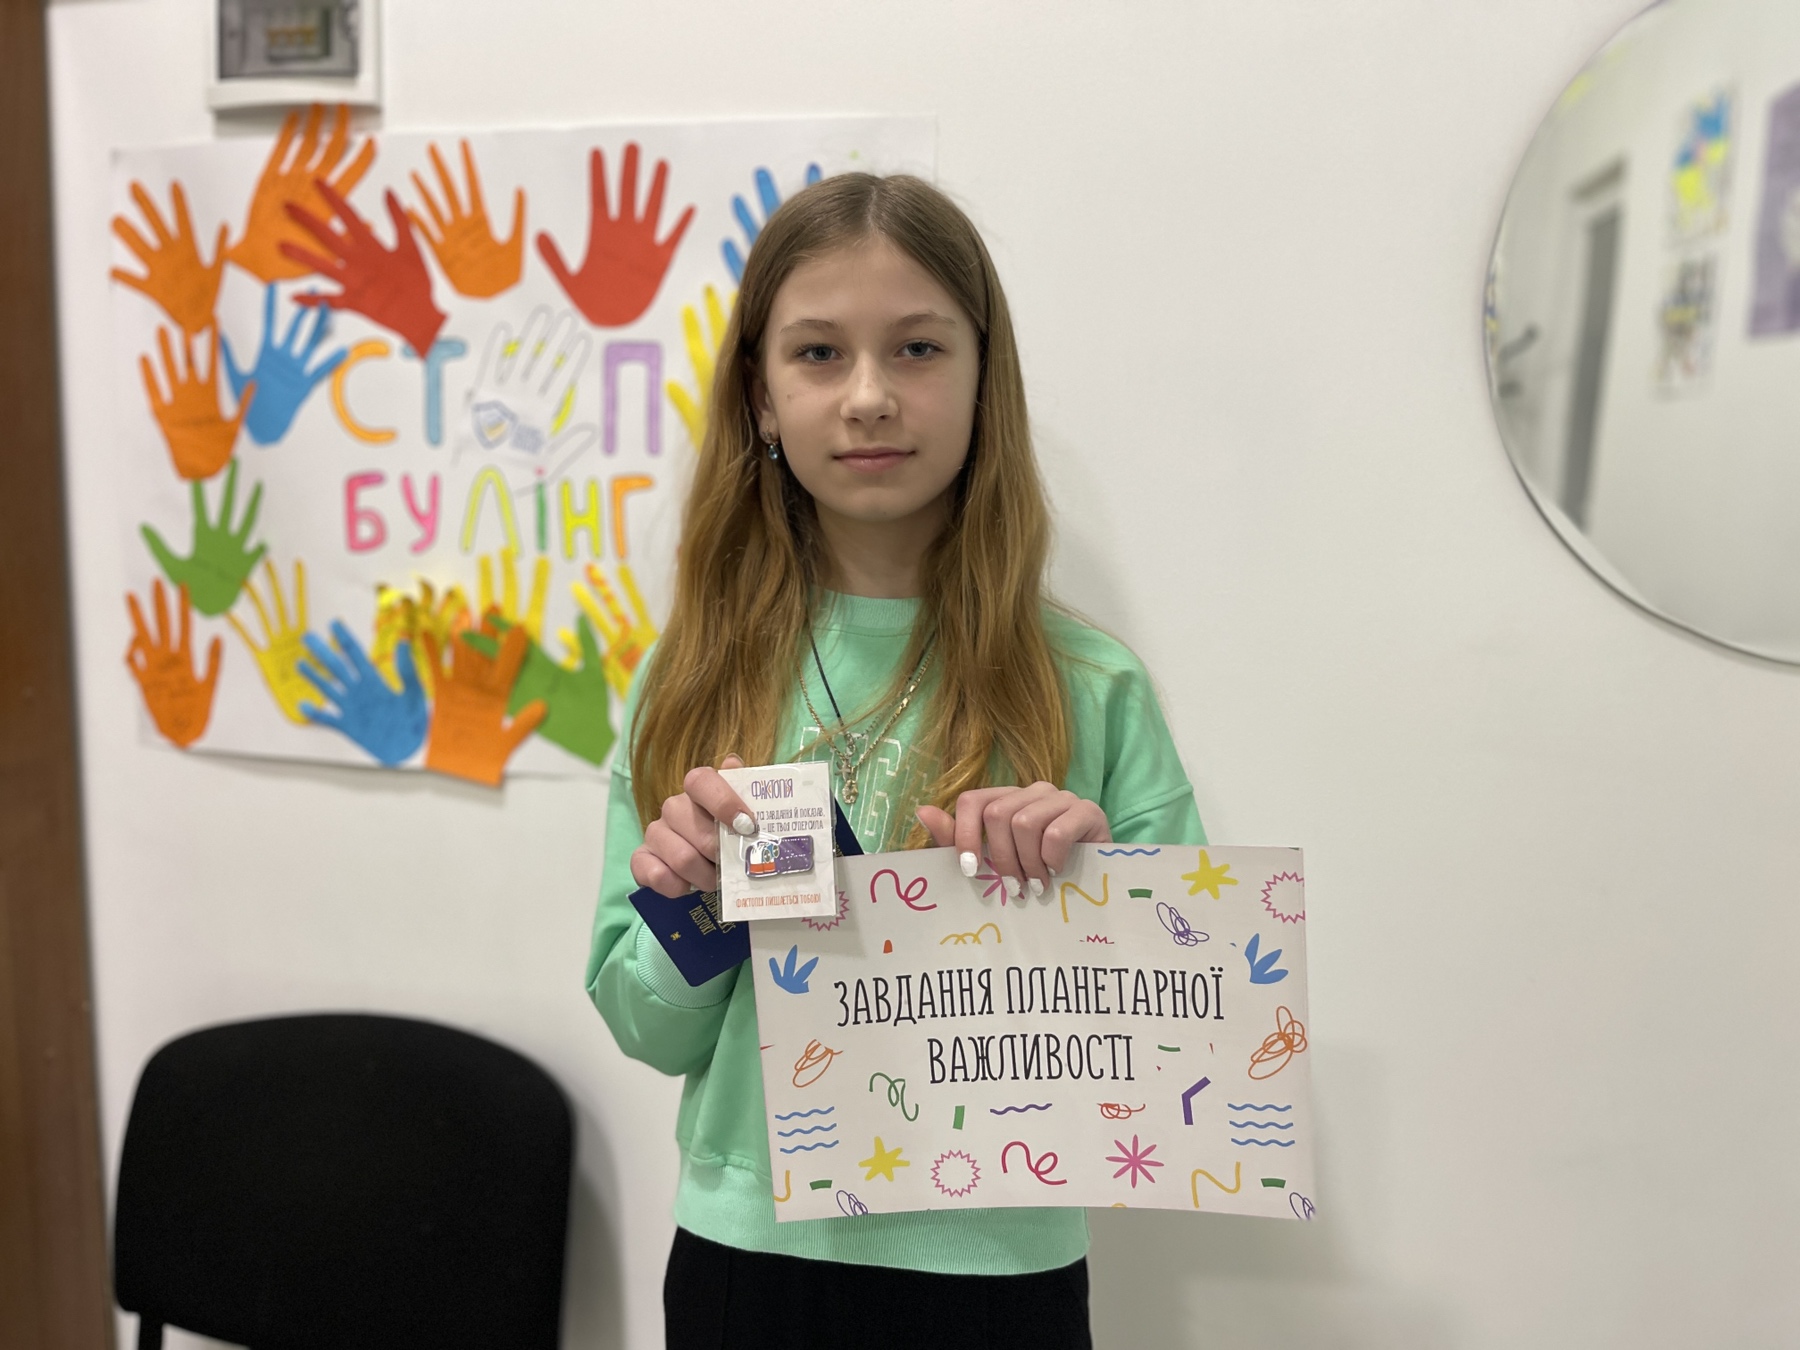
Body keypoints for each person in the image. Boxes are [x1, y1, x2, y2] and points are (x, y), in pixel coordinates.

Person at [585, 172, 1205, 1350]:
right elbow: (646, 1028)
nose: (869, 396)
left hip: (1001, 1267)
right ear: (762, 397)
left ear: (983, 382)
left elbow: (1190, 1045)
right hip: (750, 1258)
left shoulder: (1092, 685)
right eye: (818, 353)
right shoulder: (693, 676)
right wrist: (701, 913)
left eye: (917, 349)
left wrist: (1091, 889)